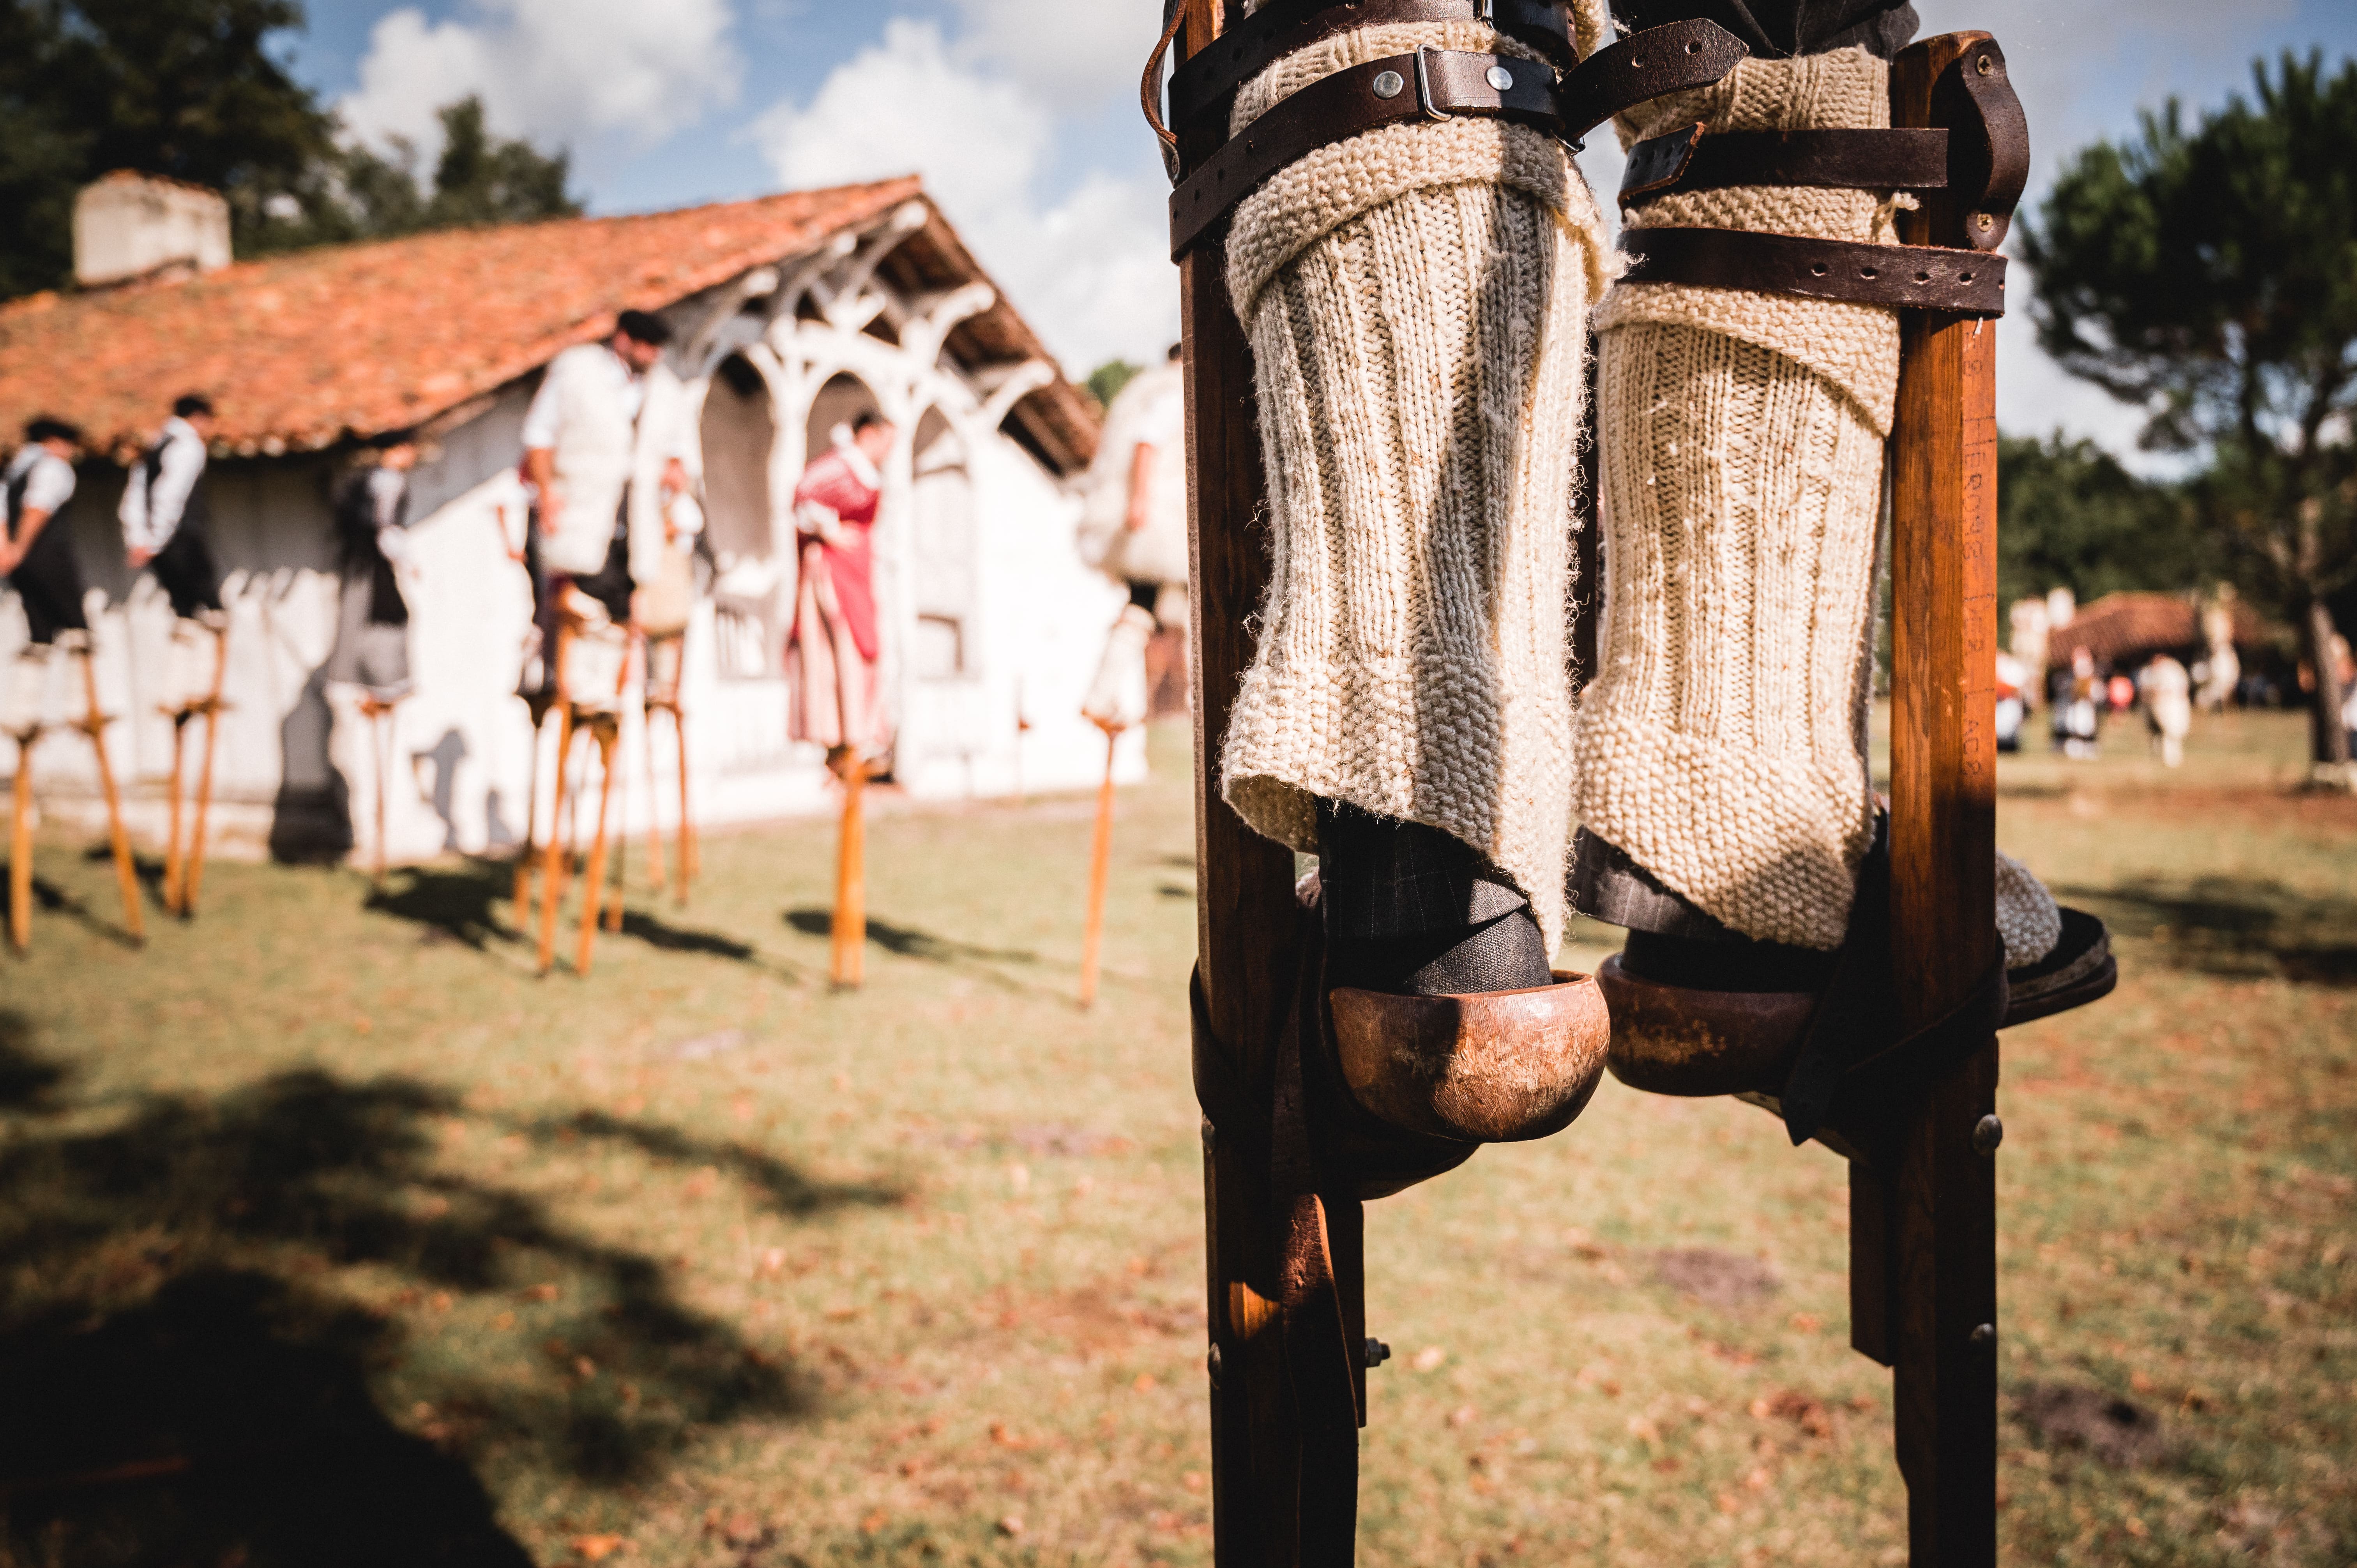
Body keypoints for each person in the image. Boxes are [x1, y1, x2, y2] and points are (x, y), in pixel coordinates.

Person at [519, 310, 694, 706]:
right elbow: (539, 437)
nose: (653, 355)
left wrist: (673, 477)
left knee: (621, 606)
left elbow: (677, 456)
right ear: (623, 340)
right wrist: (547, 493)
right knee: (576, 598)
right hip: (581, 512)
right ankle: (568, 686)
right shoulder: (577, 372)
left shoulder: (666, 391)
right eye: (647, 346)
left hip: (635, 521)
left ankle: (604, 700)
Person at [1077, 344, 1189, 731]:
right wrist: (1140, 500)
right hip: (1155, 517)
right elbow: (1148, 442)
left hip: (1149, 515)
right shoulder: (1173, 393)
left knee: (1145, 603)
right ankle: (1197, 698)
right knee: (1178, 602)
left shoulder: (1146, 393)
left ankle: (1101, 694)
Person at [788, 413, 894, 771]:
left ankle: (864, 730)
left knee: (864, 646)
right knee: (837, 648)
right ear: (869, 434)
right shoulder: (840, 466)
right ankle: (841, 729)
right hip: (834, 574)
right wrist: (830, 532)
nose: (890, 450)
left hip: (856, 573)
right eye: (886, 440)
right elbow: (804, 496)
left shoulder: (862, 471)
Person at [120, 394, 228, 717]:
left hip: (160, 544)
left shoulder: (155, 446)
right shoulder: (188, 446)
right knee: (212, 612)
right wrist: (156, 540)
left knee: (183, 611)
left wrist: (139, 539)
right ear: (199, 418)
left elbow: (135, 498)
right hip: (181, 539)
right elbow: (172, 496)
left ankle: (175, 689)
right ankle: (201, 687)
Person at [326, 433, 420, 704]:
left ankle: (373, 682)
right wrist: (406, 561)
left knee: (367, 617)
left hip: (362, 563)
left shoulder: (369, 478)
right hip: (374, 562)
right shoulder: (389, 481)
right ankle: (383, 682)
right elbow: (385, 527)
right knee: (388, 617)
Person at [2141, 654, 2192, 769]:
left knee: (2171, 733)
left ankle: (2172, 760)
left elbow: (2179, 689)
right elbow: (2144, 691)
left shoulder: (2172, 671)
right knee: (2155, 733)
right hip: (2153, 706)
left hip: (2170, 706)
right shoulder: (2148, 672)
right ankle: (2156, 758)